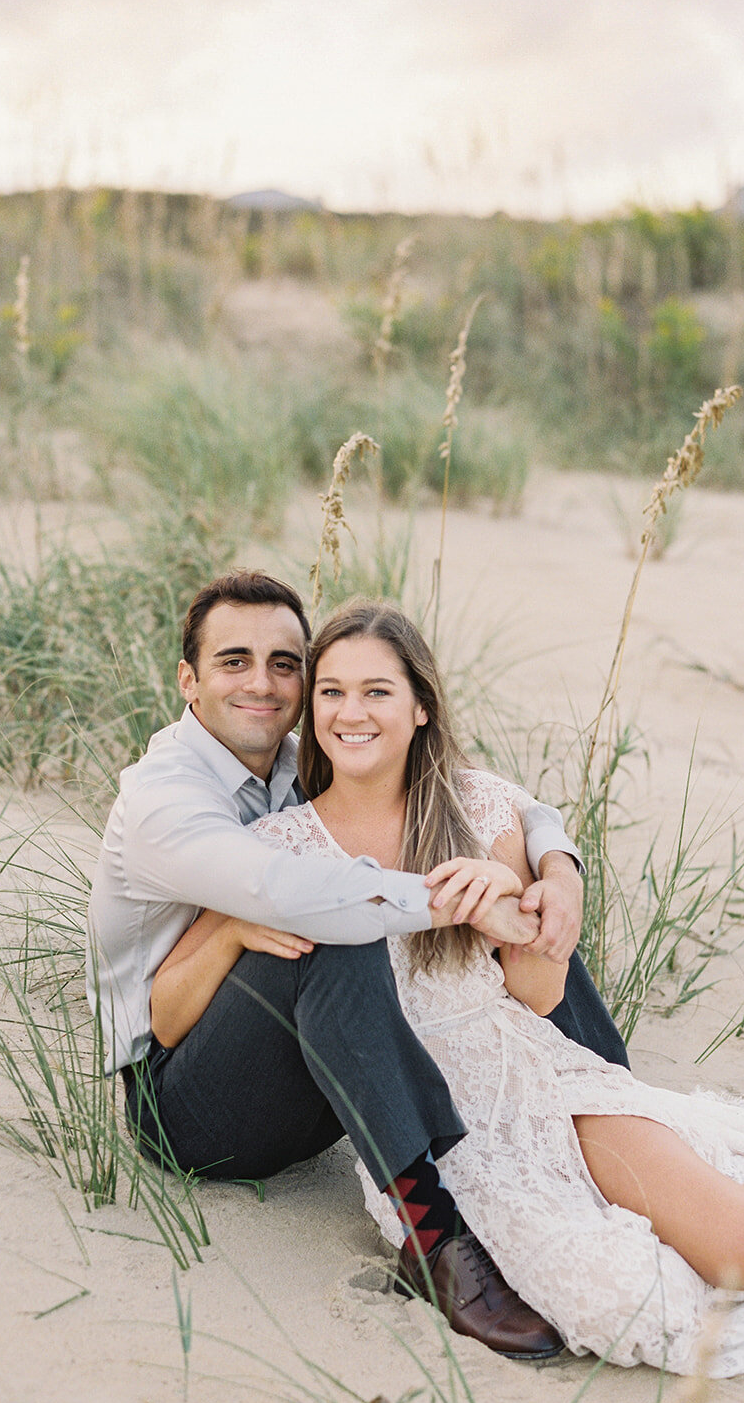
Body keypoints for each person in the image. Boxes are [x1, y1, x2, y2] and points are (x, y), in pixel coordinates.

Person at [170, 598, 744, 1376]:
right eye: (333, 691)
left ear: (420, 707)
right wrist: (239, 933)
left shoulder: (480, 810)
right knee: (621, 1302)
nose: (352, 712)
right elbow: (187, 1006)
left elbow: (540, 995)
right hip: (436, 1119)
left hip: (536, 1072)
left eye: (378, 691)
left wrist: (510, 906)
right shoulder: (276, 847)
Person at [86, 570, 628, 1362]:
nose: (263, 685)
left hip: (304, 1075)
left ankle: (612, 1091)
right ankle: (436, 1242)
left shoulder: (303, 750)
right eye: (234, 661)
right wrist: (466, 901)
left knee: (504, 923)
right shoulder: (163, 800)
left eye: (285, 664)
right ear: (189, 680)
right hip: (185, 1102)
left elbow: (482, 794)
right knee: (334, 932)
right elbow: (285, 893)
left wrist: (554, 863)